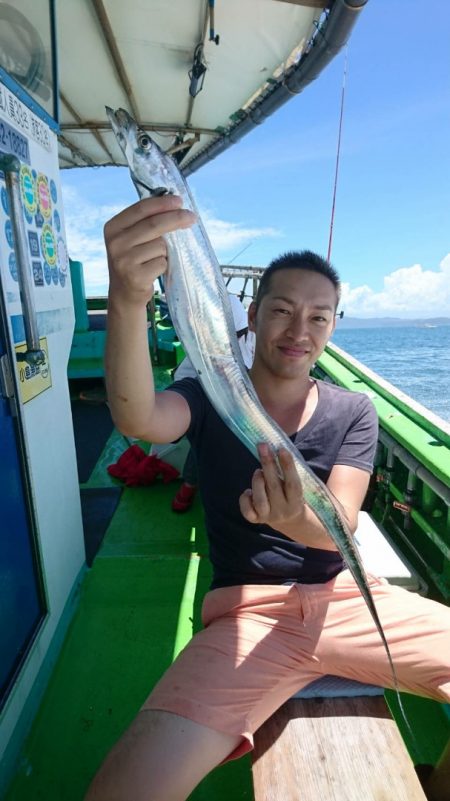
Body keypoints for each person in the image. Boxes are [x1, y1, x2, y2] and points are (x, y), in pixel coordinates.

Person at [85, 194, 450, 801]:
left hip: (345, 599)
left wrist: (295, 519)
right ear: (252, 316)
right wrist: (127, 298)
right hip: (247, 614)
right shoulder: (209, 393)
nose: (298, 331)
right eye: (281, 311)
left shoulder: (354, 411)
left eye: (318, 317)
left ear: (332, 327)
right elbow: (140, 418)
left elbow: (340, 525)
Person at [171, 292, 254, 512]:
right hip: (209, 400)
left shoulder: (252, 340)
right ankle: (190, 484)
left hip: (243, 399)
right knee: (205, 439)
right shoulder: (198, 358)